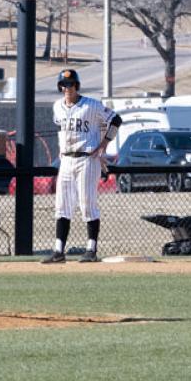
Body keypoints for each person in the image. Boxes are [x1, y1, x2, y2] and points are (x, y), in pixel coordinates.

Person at [42, 69, 122, 264]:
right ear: (60, 87)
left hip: (87, 158)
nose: (68, 88)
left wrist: (104, 144)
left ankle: (91, 249)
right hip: (66, 160)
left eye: (71, 84)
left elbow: (115, 119)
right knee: (62, 206)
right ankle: (59, 251)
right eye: (64, 84)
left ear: (77, 86)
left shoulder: (91, 105)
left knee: (87, 204)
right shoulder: (57, 107)